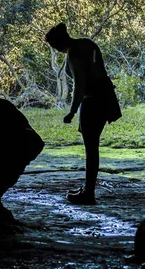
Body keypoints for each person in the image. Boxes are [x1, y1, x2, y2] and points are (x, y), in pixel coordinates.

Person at [45, 23, 122, 205]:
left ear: (58, 43)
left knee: (91, 147)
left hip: (93, 100)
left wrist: (72, 111)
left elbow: (80, 84)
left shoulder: (73, 53)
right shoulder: (88, 43)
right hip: (106, 95)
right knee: (92, 145)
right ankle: (88, 189)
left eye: (53, 45)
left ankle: (89, 193)